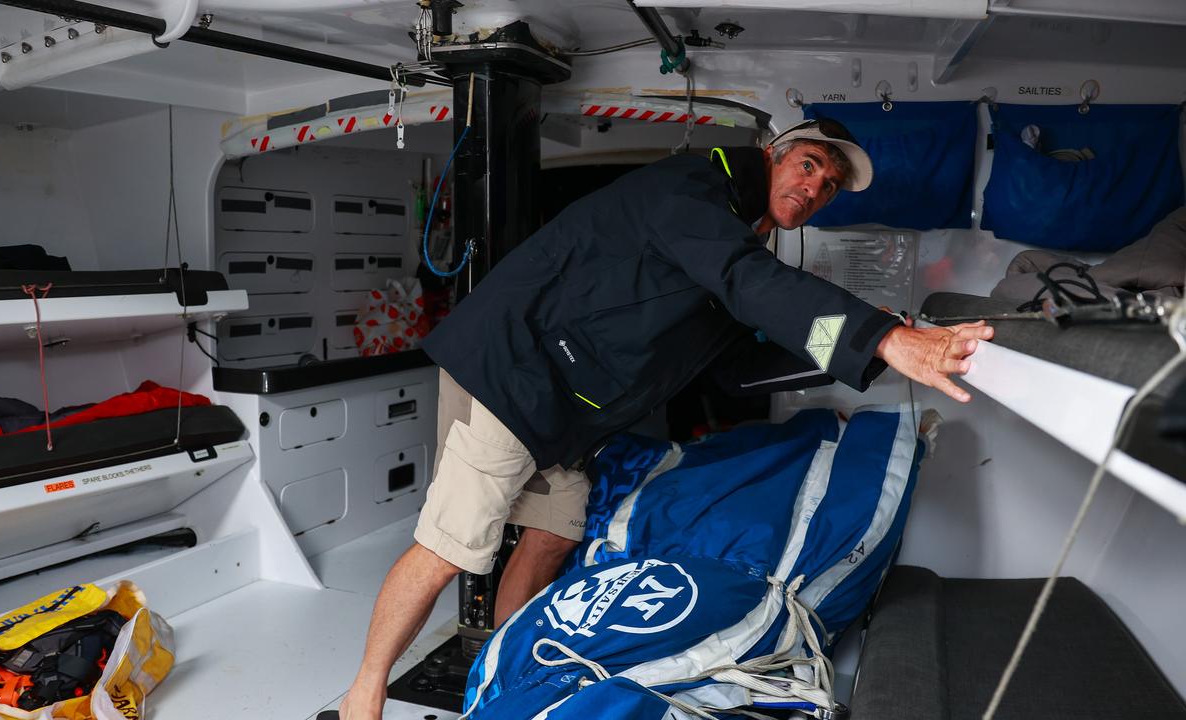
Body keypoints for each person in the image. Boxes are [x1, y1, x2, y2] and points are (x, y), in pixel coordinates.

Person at [339, 117, 993, 719]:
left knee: (554, 532)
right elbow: (749, 283)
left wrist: (869, 359)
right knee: (453, 546)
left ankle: (517, 670)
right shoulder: (695, 189)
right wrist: (880, 338)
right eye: (810, 164)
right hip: (511, 369)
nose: (816, 186)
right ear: (774, 154)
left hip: (562, 405)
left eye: (829, 185)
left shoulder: (734, 232)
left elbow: (738, 360)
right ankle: (362, 695)